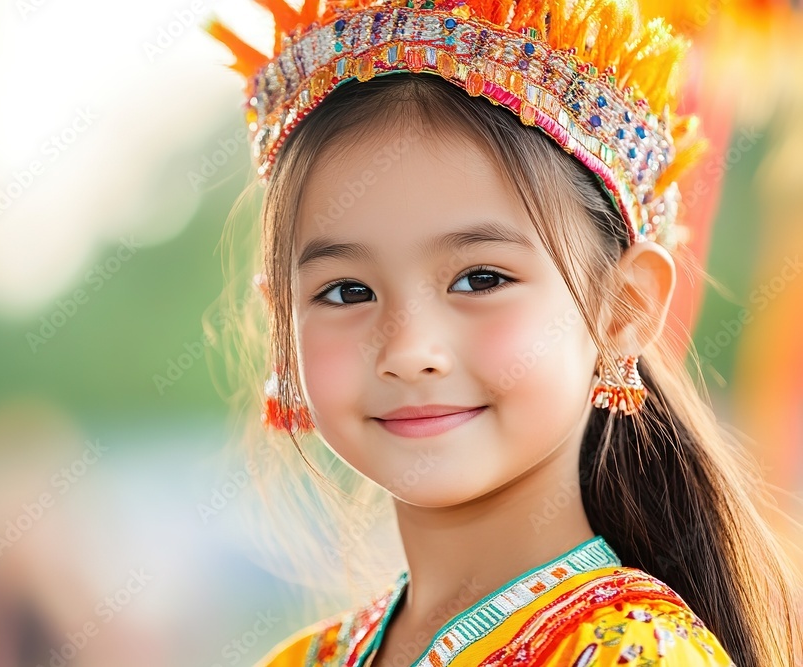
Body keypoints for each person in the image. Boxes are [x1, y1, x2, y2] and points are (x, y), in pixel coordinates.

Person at [205, 1, 803, 665]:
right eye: (347, 291)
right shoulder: (301, 658)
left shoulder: (637, 653)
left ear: (623, 309)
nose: (409, 352)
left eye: (480, 279)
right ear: (283, 320)